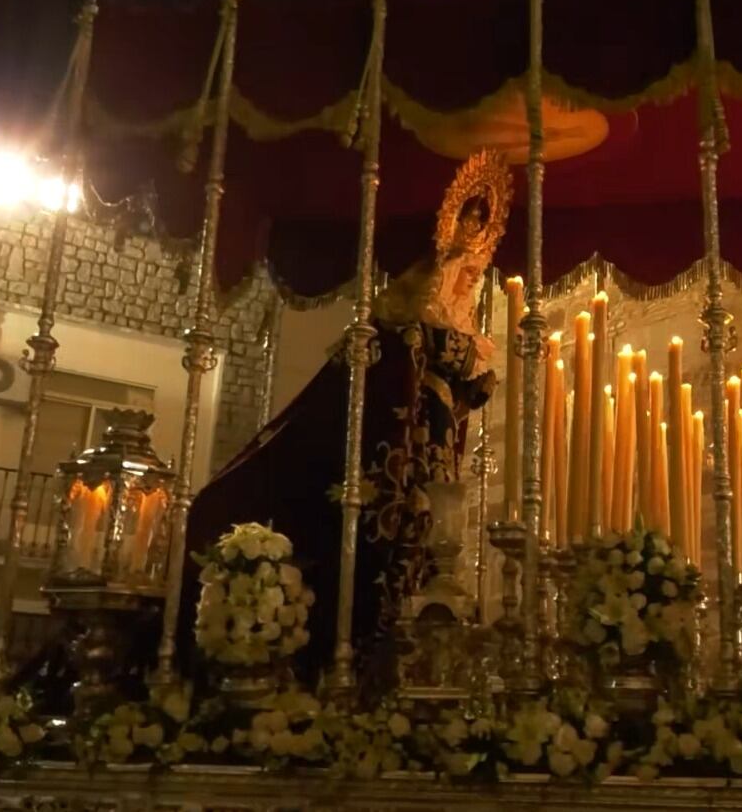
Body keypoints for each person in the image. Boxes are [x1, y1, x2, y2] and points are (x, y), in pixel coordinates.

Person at [175, 151, 509, 690]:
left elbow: (442, 407)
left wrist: (465, 388)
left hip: (427, 484)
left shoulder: (442, 347)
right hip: (389, 484)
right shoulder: (393, 341)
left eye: (474, 277)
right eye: (462, 275)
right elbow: (382, 410)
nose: (468, 288)